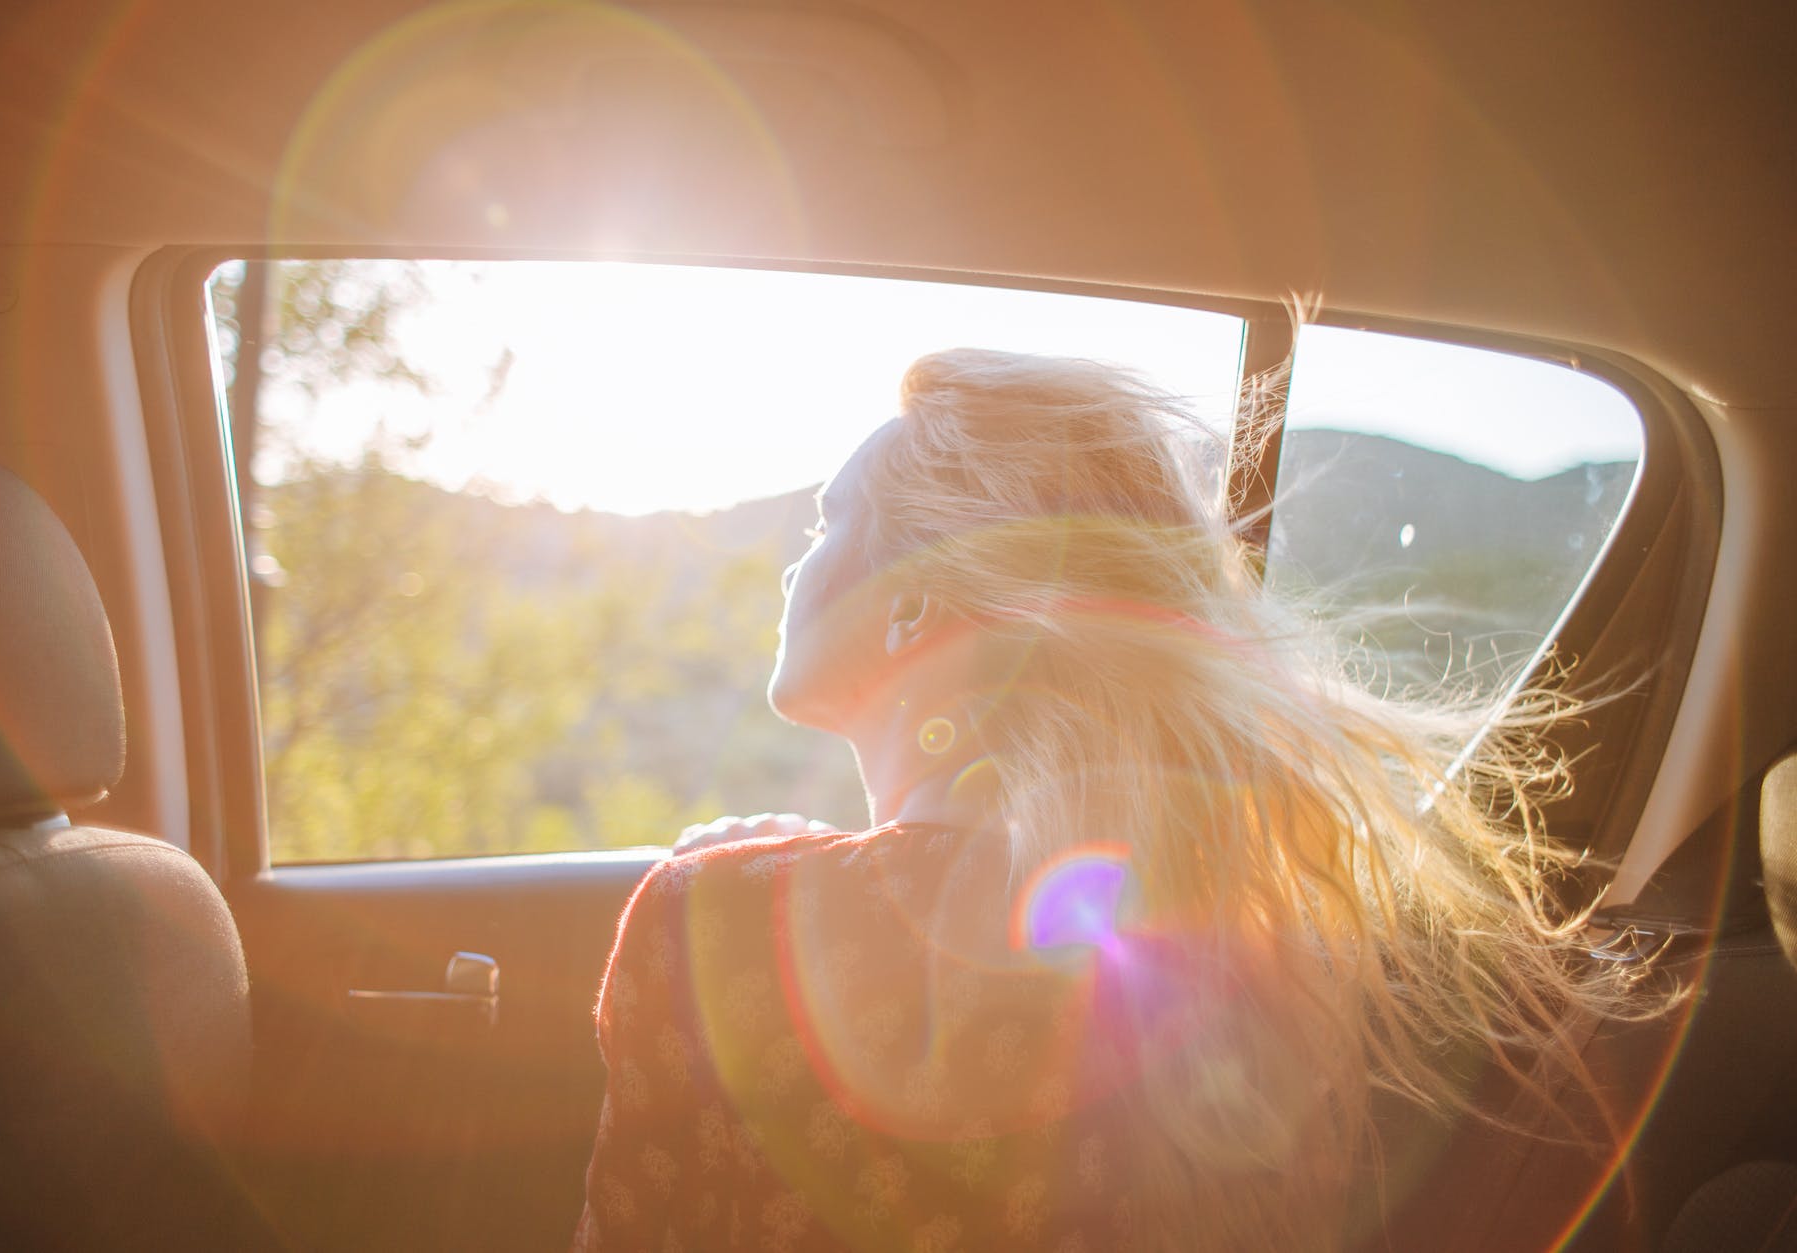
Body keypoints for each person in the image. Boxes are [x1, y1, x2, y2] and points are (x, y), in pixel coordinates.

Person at [572, 348, 1661, 1252]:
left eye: (824, 526)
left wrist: (756, 888)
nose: (790, 565)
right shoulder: (1277, 953)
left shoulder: (709, 924)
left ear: (906, 610)